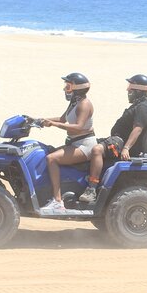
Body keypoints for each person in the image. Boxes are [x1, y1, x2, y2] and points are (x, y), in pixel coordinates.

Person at [78, 74, 147, 203]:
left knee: (97, 150)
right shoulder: (140, 104)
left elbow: (138, 129)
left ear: (139, 91)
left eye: (131, 88)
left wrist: (126, 148)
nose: (128, 91)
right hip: (118, 139)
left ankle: (91, 188)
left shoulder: (143, 107)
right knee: (88, 143)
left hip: (121, 142)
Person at [39, 72, 96, 213]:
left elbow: (79, 127)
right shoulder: (75, 102)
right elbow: (62, 119)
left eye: (68, 86)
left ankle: (58, 202)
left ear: (77, 88)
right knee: (47, 152)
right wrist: (41, 119)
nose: (65, 89)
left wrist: (53, 124)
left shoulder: (84, 104)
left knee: (51, 159)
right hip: (75, 143)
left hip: (84, 145)